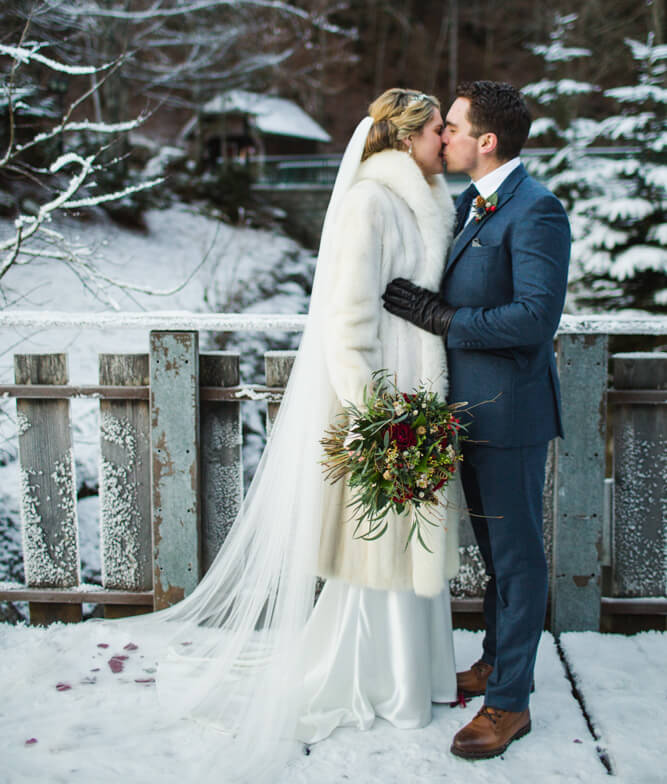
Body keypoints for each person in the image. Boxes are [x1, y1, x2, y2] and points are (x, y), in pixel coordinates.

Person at [149, 89, 460, 782]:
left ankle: (424, 674)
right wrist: (378, 416)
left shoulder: (432, 199)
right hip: (387, 398)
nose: (447, 138)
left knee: (413, 535)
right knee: (379, 541)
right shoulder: (368, 204)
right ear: (407, 137)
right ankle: (382, 680)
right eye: (439, 128)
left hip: (422, 388)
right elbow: (345, 326)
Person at [383, 80, 571, 760]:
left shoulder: (537, 210)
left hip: (511, 417)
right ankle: (495, 663)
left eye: (453, 126)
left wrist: (443, 319)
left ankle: (508, 704)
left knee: (517, 562)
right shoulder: (467, 203)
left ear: (485, 141)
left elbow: (532, 319)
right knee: (495, 560)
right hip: (461, 413)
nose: (445, 136)